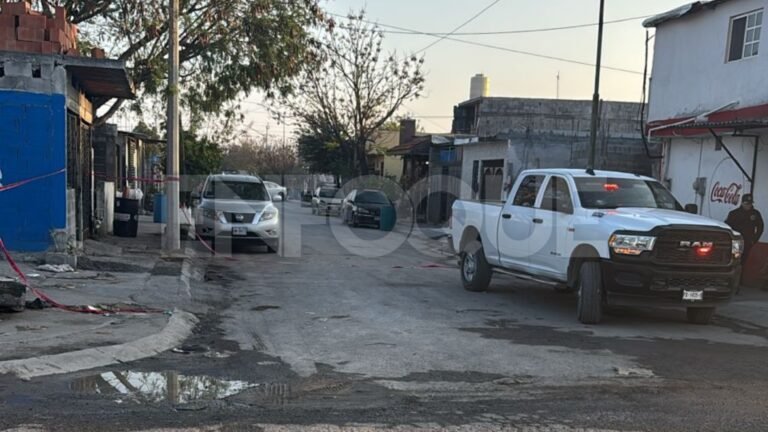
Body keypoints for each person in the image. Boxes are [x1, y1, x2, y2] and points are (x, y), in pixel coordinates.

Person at [726, 193, 764, 266]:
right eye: (746, 203)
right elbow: (728, 226)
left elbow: (760, 227)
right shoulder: (734, 213)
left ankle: (741, 272)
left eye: (750, 203)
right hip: (737, 241)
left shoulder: (755, 213)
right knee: (736, 259)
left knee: (744, 260)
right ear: (742, 203)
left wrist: (754, 239)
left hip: (748, 241)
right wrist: (731, 238)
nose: (748, 205)